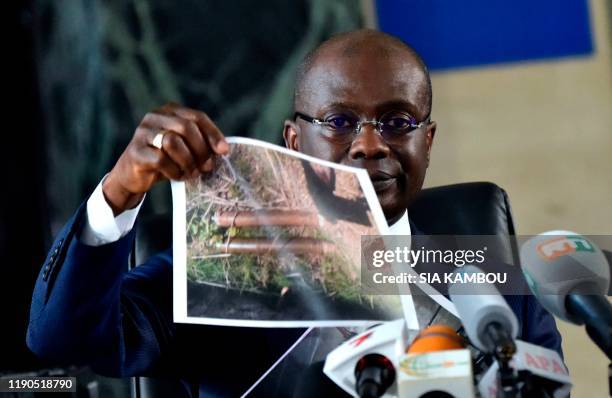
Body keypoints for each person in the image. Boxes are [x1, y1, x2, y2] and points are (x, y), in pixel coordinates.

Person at [27, 30, 562, 397]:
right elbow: (65, 341)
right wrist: (120, 191)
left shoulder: (495, 280)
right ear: (294, 138)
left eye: (398, 122)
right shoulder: (221, 265)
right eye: (339, 121)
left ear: (429, 140)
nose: (370, 145)